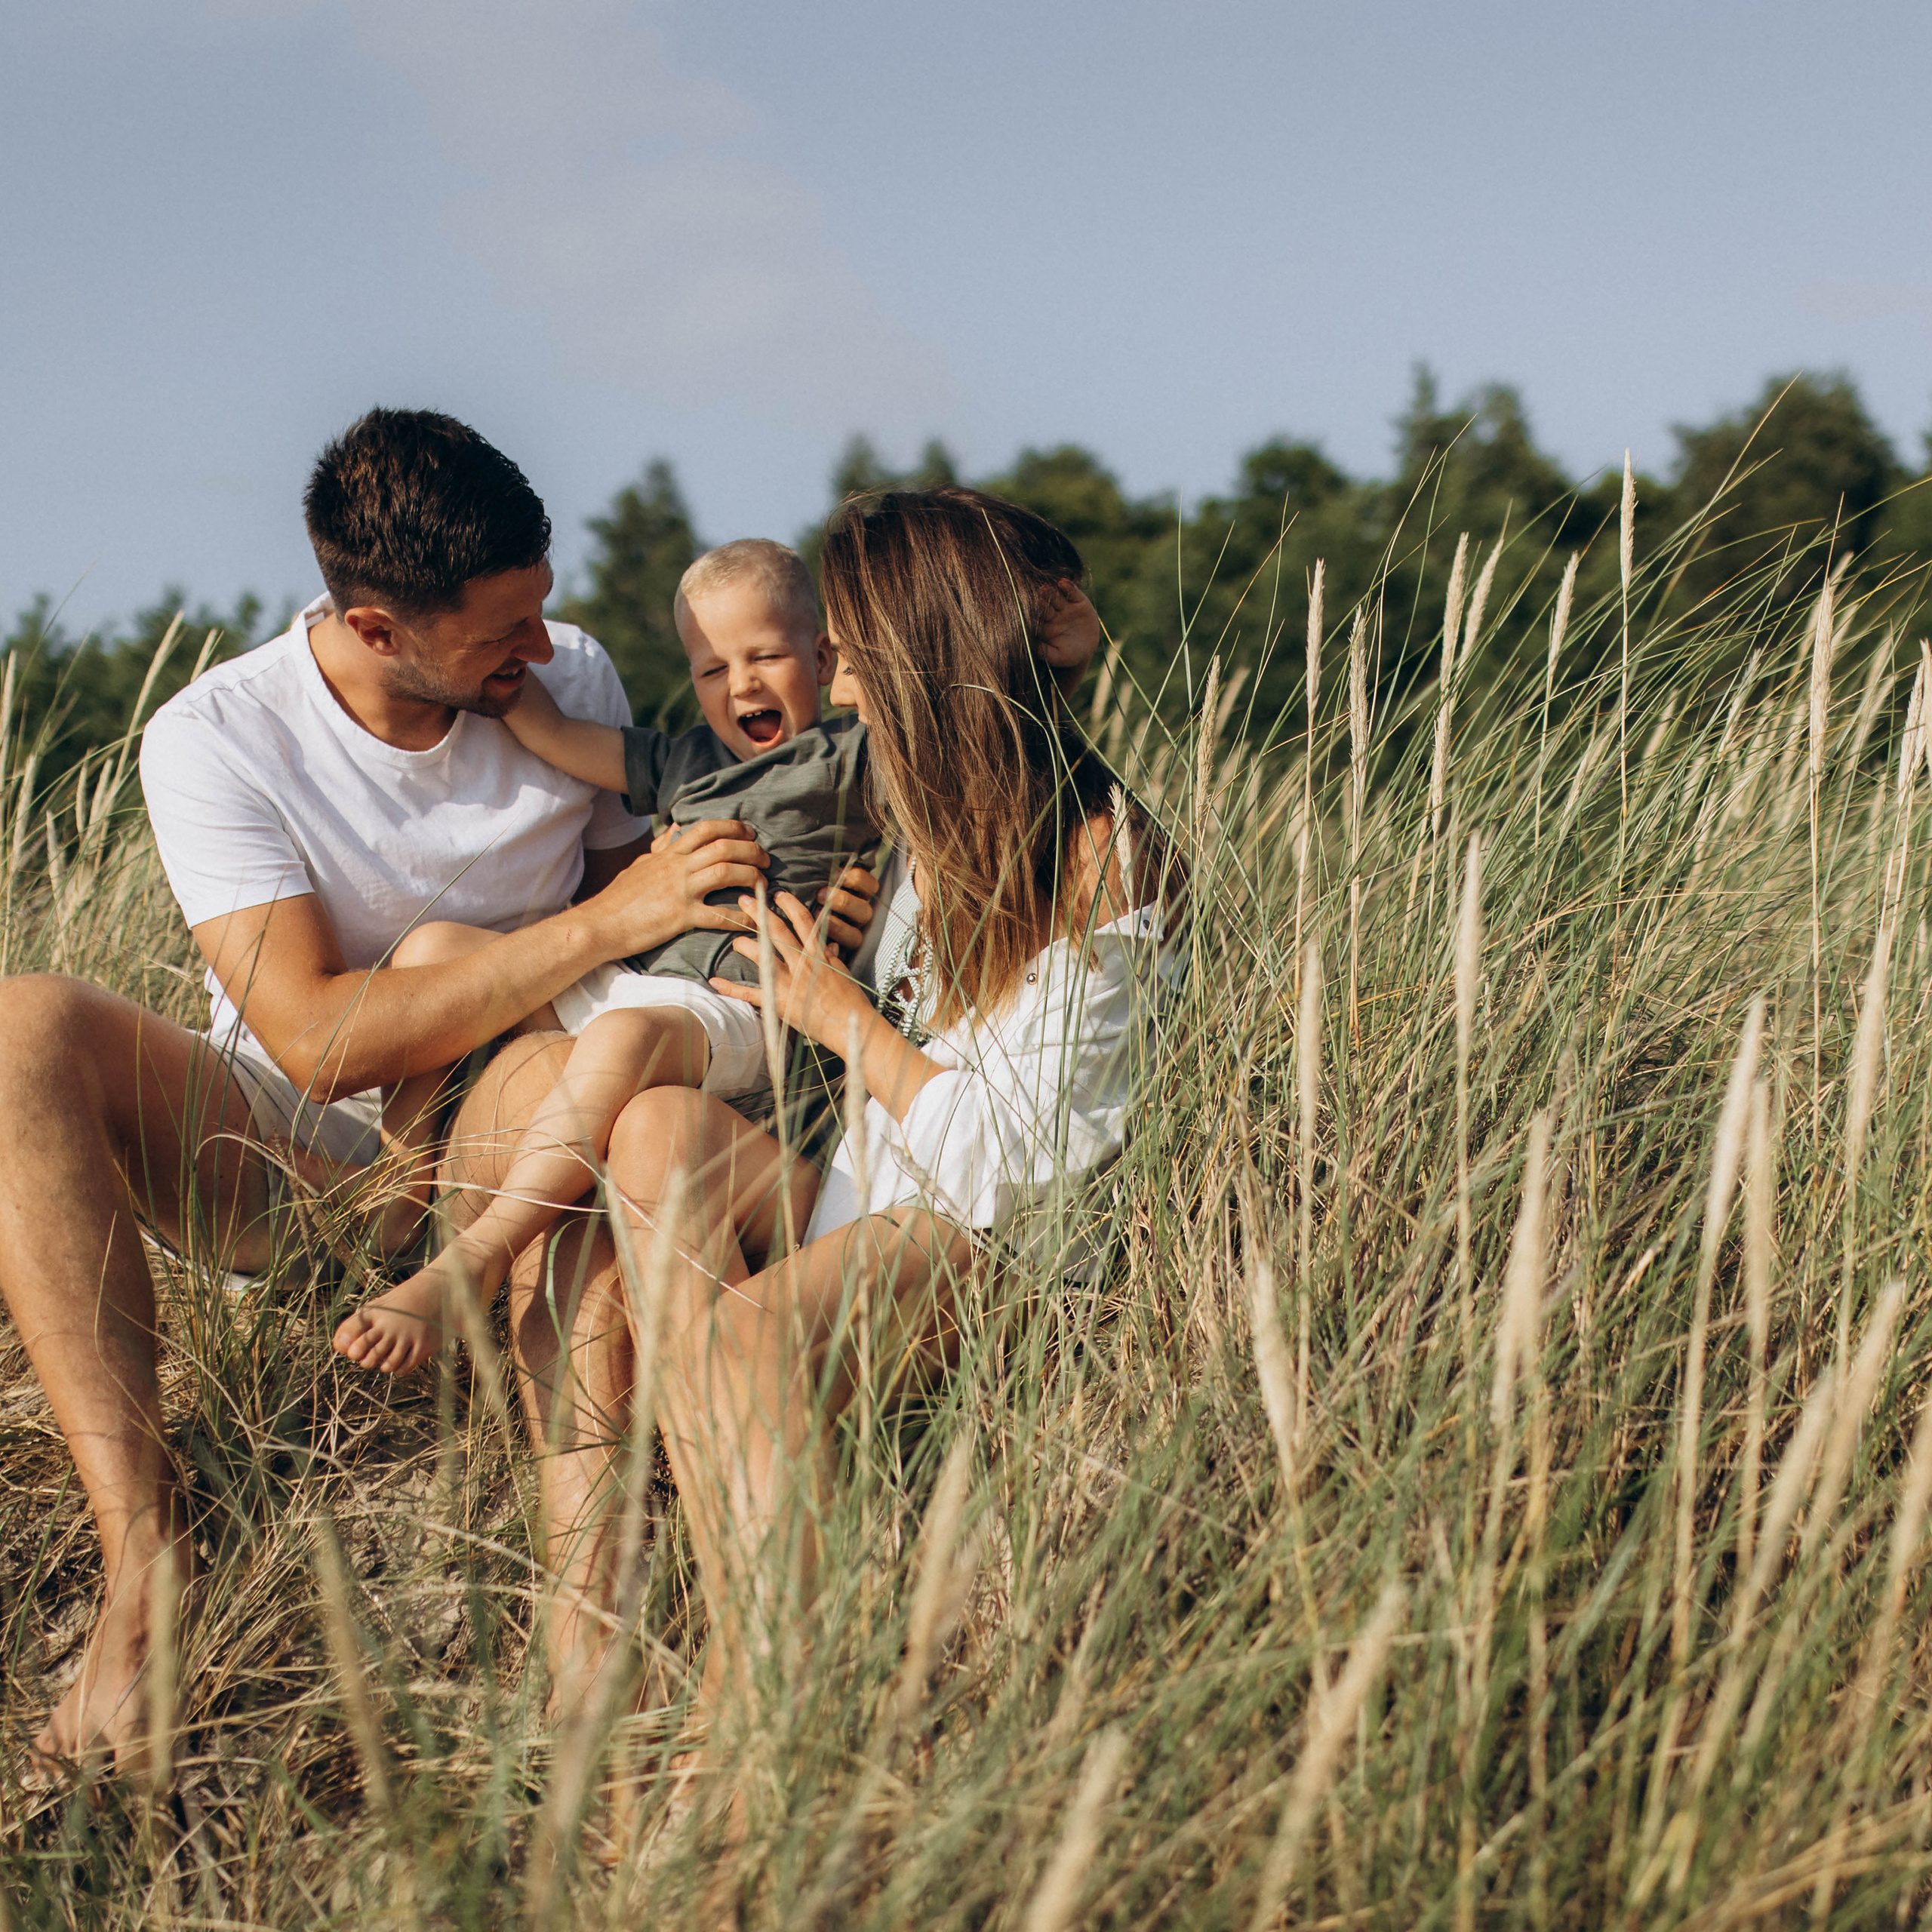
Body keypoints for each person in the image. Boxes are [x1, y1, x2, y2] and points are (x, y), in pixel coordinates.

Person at [0, 409, 878, 1770]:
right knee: (21, 1028)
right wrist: (600, 923)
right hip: (308, 1161)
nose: (544, 652)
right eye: (501, 636)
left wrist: (816, 898)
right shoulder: (216, 738)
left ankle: (587, 1623)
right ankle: (143, 1562)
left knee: (572, 1080)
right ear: (374, 627)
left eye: (542, 612)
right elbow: (318, 1042)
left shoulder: (569, 670)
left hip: (518, 1115)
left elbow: (680, 909)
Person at [602, 485, 1180, 1730]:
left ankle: (779, 1701)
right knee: (655, 1131)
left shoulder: (1101, 856)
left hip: (1005, 1248)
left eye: (854, 645)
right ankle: (754, 1601)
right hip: (879, 1206)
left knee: (732, 1341)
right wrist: (839, 966)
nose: (835, 677)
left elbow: (1025, 1170)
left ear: (929, 653)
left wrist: (843, 1019)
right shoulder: (914, 830)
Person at [330, 537, 881, 1375]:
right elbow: (552, 733)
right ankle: (399, 1210)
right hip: (647, 983)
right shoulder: (687, 760)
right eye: (713, 668)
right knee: (436, 951)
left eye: (766, 655)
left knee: (618, 1041)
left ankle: (476, 1255)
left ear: (824, 653)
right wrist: (484, 662)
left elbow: (960, 783)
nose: (742, 684)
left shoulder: (851, 759)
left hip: (745, 1005)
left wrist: (867, 902)